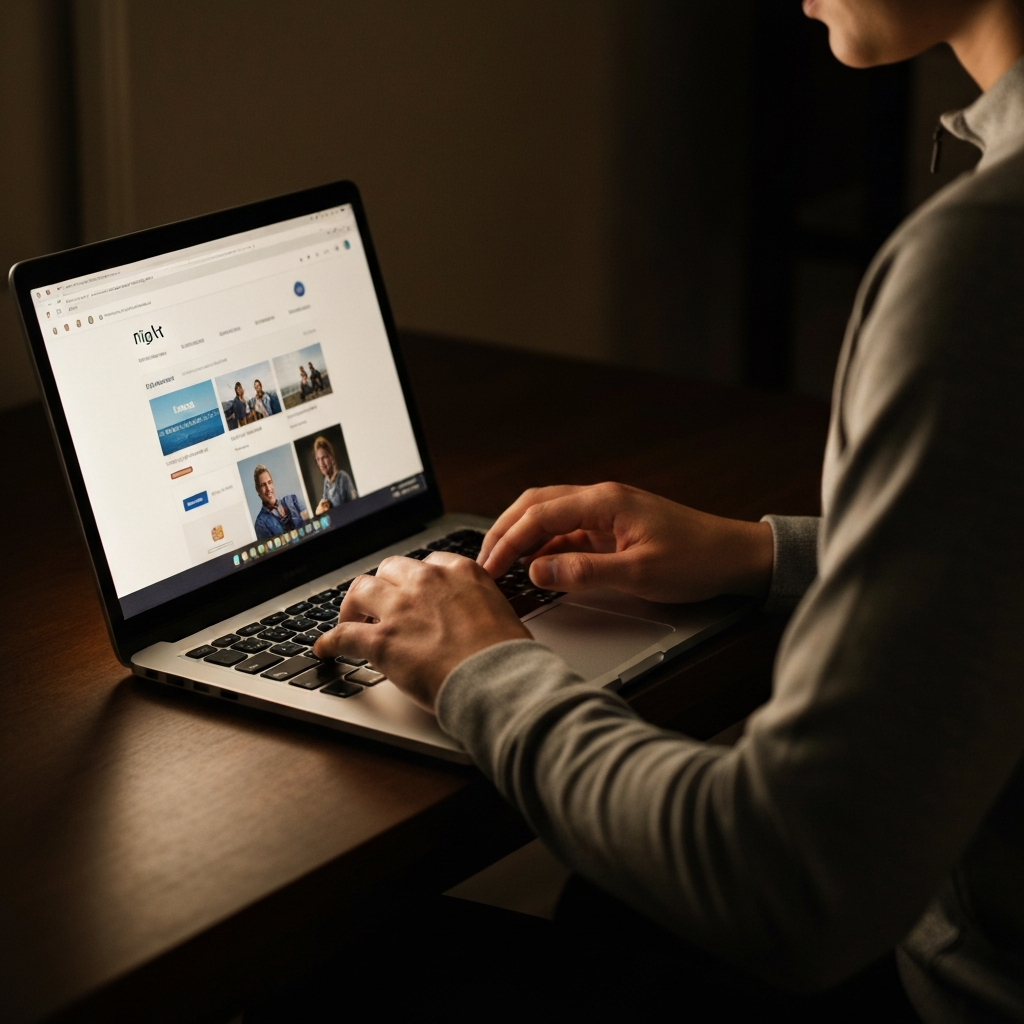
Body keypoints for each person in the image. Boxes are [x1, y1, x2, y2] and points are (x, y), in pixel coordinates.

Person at [314, 2, 1024, 1019]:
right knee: (607, 914)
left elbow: (790, 883)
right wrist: (760, 555)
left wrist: (483, 669)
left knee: (355, 971)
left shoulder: (985, 264)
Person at [252, 464, 309, 539]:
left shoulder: (292, 500)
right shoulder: (261, 523)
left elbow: (310, 520)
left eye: (269, 482)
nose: (268, 488)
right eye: (263, 485)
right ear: (257, 490)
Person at [311, 435, 356, 514]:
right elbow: (323, 505)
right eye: (318, 459)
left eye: (324, 457)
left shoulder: (343, 477)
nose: (321, 463)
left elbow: (356, 505)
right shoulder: (326, 481)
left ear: (331, 457)